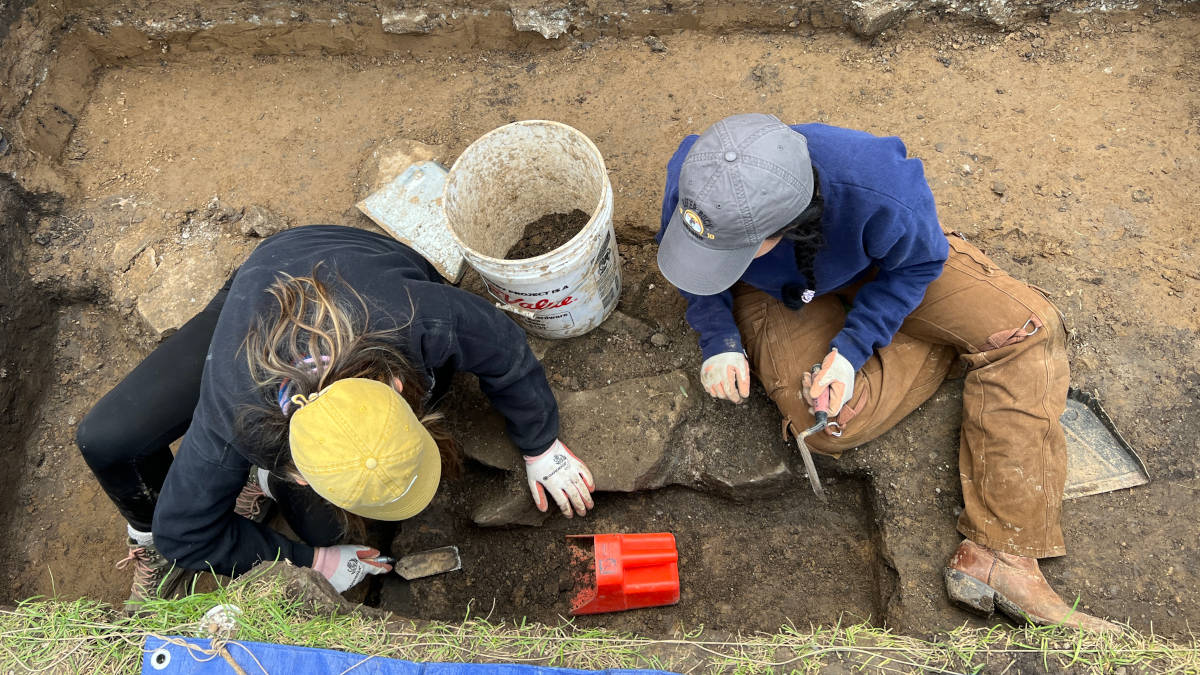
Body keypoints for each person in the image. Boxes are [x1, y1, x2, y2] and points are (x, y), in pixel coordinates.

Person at [655, 113, 1116, 632]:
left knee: (1025, 330)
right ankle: (946, 341)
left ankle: (1001, 556)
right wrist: (719, 340)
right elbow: (695, 268)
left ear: (788, 224)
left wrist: (852, 350)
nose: (719, 256)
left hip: (887, 268)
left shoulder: (875, 181)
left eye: (736, 249)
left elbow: (919, 263)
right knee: (832, 424)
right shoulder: (700, 179)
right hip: (782, 299)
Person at [76, 224, 595, 610]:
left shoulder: (417, 316)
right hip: (253, 304)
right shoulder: (234, 420)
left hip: (337, 261)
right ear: (294, 469)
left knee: (319, 523)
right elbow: (183, 535)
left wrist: (541, 445)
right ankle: (154, 522)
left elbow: (502, 343)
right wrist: (312, 562)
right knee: (104, 440)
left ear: (394, 386)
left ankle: (268, 499)